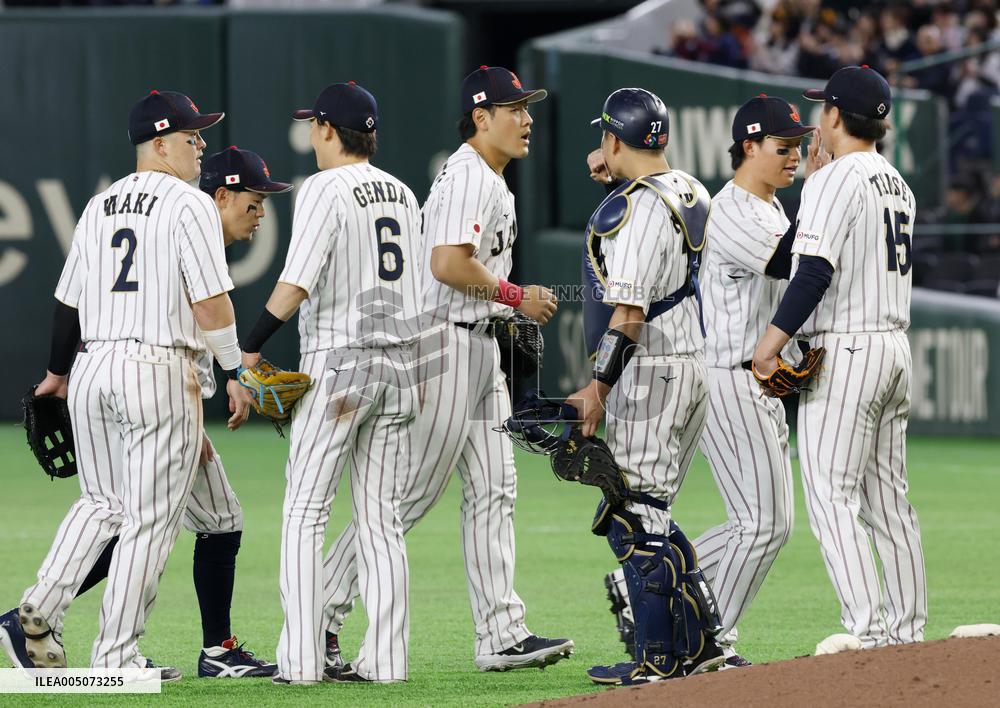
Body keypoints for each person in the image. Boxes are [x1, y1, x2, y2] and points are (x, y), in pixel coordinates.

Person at [0, 146, 293, 679]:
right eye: (255, 202)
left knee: (168, 512)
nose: (260, 214)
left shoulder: (101, 206)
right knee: (145, 521)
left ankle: (39, 617)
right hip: (153, 376)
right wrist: (236, 374)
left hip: (97, 367)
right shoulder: (189, 209)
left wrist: (57, 372)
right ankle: (113, 654)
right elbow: (207, 310)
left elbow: (70, 301)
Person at [317, 65, 573, 675]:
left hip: (477, 347)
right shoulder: (467, 177)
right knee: (403, 498)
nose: (527, 118)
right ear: (482, 118)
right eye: (515, 108)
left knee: (496, 488)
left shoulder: (487, 177)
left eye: (528, 107)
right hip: (443, 346)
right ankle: (320, 614)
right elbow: (446, 264)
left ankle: (502, 634)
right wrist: (514, 297)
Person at [238, 81, 425, 685]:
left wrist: (250, 343)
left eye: (313, 127)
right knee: (381, 519)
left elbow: (294, 284)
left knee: (305, 512)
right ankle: (388, 662)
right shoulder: (402, 191)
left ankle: (300, 663)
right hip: (401, 366)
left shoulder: (322, 188)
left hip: (341, 363)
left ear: (325, 130)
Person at [752, 66, 927, 648]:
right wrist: (813, 189)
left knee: (831, 495)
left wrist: (770, 344)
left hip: (849, 347)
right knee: (888, 502)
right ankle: (905, 633)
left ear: (832, 116)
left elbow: (810, 275)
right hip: (894, 347)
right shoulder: (895, 181)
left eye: (820, 111)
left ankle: (868, 633)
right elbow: (796, 257)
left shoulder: (834, 181)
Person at [568, 87, 726, 685]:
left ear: (613, 139)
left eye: (604, 137)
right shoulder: (688, 187)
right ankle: (703, 644)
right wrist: (618, 170)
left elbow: (628, 315)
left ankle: (656, 661)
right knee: (652, 513)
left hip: (652, 370)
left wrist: (596, 390)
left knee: (631, 518)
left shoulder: (631, 209)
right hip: (692, 364)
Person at [687, 95, 822, 665]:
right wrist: (823, 190)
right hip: (728, 377)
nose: (795, 157)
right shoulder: (735, 210)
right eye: (783, 147)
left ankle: (647, 583)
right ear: (749, 146)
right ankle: (710, 639)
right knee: (763, 523)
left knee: (765, 523)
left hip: (756, 380)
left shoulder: (770, 208)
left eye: (798, 147)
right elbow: (786, 264)